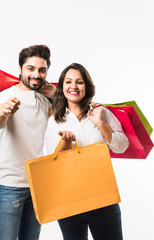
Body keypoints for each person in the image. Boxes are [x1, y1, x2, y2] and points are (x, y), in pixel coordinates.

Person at [44, 63, 130, 240]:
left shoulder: (102, 113)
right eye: (68, 82)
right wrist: (65, 142)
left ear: (87, 87)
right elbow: (53, 162)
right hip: (69, 201)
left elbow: (122, 146)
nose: (73, 86)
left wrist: (100, 123)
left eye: (79, 82)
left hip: (103, 198)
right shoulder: (54, 121)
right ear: (61, 88)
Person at [0, 45, 55, 240]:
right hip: (11, 184)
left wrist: (55, 96)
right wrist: (4, 112)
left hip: (37, 185)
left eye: (41, 70)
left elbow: (64, 114)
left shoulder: (44, 102)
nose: (36, 74)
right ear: (20, 69)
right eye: (31, 68)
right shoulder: (6, 97)